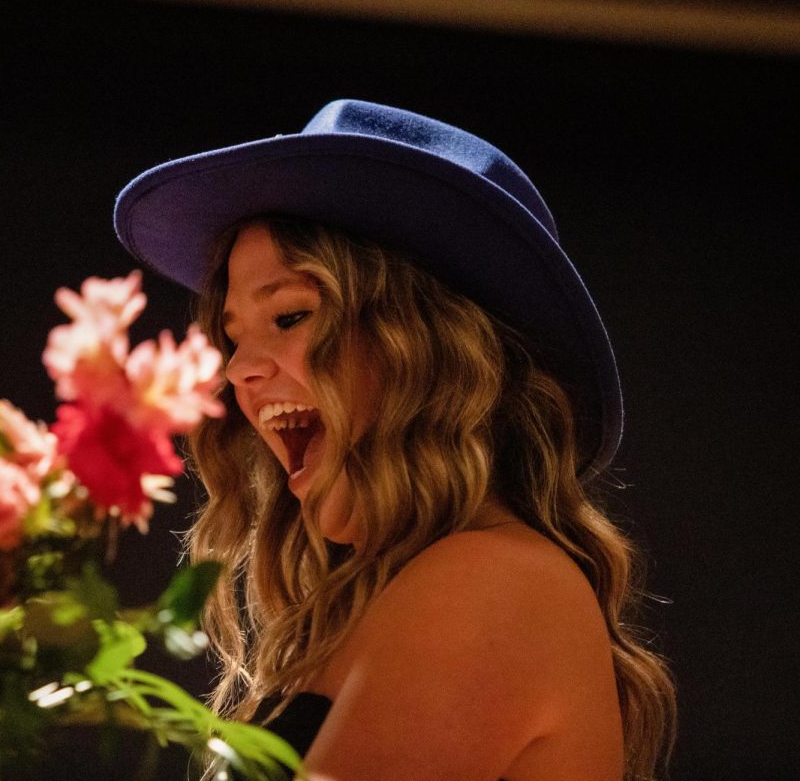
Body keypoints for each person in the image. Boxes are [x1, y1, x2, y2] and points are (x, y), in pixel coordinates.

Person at [113, 100, 676, 780]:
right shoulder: (400, 594)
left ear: (428, 346)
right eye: (233, 338)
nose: (236, 370)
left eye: (290, 315)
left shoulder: (491, 581)